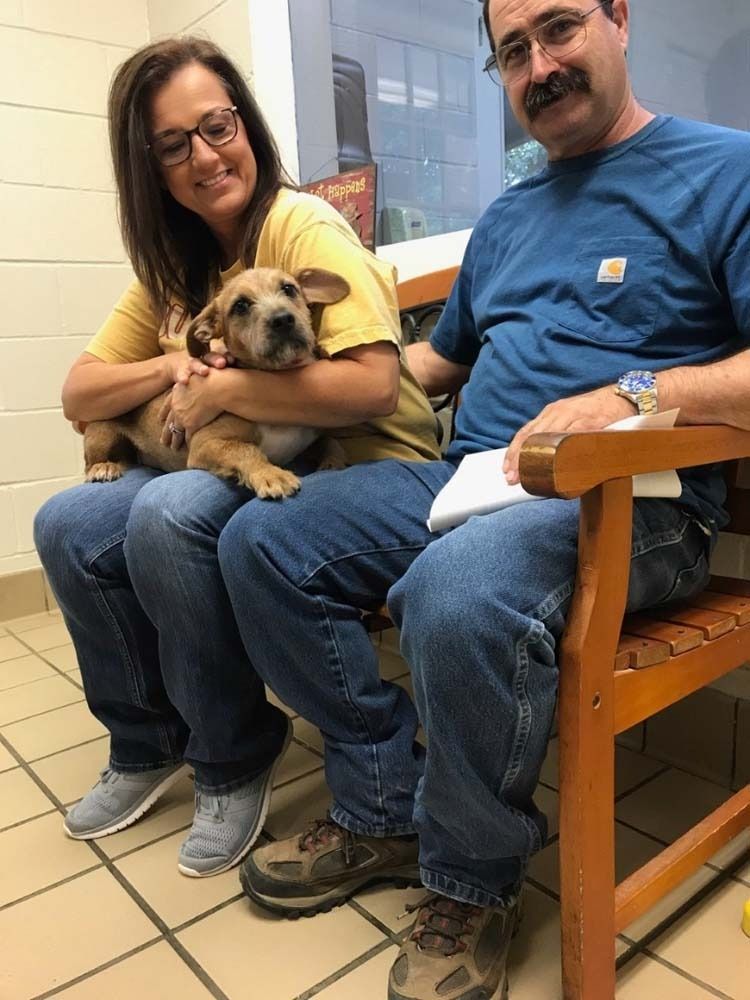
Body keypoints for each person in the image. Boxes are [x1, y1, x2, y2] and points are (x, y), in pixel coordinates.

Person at [212, 0, 749, 996]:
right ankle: (381, 807)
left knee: (456, 590)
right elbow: (433, 361)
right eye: (512, 52)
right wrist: (306, 382)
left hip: (635, 497)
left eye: (559, 30)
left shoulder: (726, 170)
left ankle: (470, 880)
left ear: (619, 18)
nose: (538, 65)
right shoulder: (509, 213)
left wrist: (632, 394)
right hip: (472, 476)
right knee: (260, 538)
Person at [33, 36, 440, 879]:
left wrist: (221, 394)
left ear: (246, 124)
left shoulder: (302, 224)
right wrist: (174, 364)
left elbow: (370, 389)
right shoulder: (177, 265)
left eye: (216, 126)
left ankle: (231, 755)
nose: (205, 155)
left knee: (169, 510)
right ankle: (147, 741)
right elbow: (81, 397)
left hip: (358, 460)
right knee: (67, 522)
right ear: (150, 166)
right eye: (174, 144)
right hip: (240, 452)